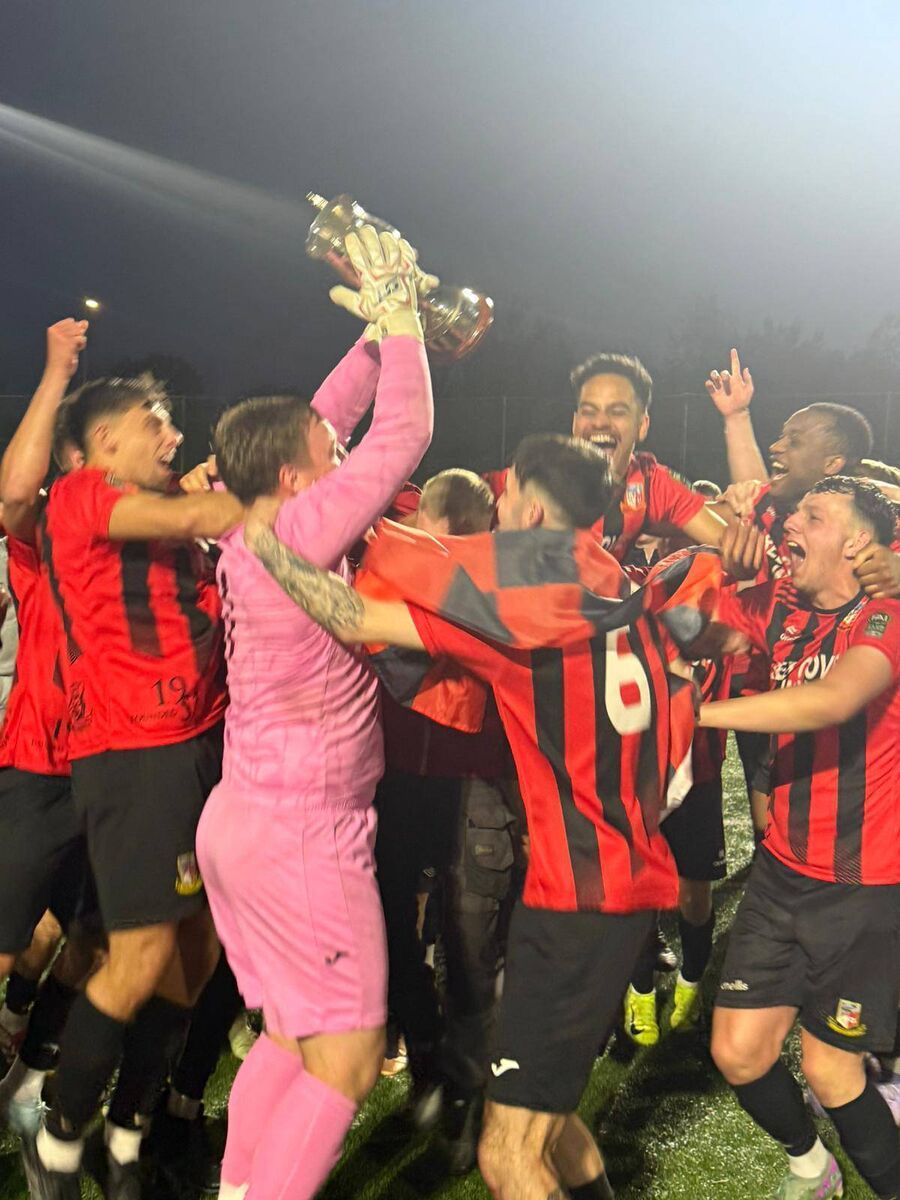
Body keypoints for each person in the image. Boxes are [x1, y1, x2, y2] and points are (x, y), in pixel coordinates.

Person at [245, 432, 691, 1200]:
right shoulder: (615, 579)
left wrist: (264, 542)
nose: (496, 517)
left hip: (581, 902)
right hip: (617, 883)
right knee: (549, 1116)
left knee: (509, 1157)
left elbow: (355, 617)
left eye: (507, 499)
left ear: (533, 503)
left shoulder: (526, 593)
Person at [196, 225, 434, 1200]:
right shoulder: (300, 525)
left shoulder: (249, 510)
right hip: (304, 839)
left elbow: (323, 417)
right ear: (297, 480)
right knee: (348, 1058)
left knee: (294, 1041)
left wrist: (382, 322)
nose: (338, 453)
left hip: (243, 825)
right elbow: (403, 434)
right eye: (323, 456)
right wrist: (411, 323)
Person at [19, 361, 242, 1199]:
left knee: (193, 954)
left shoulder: (157, 521)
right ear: (107, 440)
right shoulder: (81, 491)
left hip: (196, 748)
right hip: (135, 752)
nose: (174, 434)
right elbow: (197, 510)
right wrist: (273, 490)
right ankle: (60, 1135)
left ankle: (126, 1132)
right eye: (158, 422)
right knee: (140, 951)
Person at [700, 478, 900, 1200]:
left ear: (857, 543)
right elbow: (700, 624)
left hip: (862, 890)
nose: (792, 523)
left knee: (831, 1069)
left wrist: (698, 713)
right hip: (782, 873)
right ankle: (813, 1169)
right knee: (739, 1052)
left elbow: (833, 700)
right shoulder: (787, 616)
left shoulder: (886, 613)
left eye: (813, 516)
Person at [487, 351, 728, 562]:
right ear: (575, 423)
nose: (600, 422)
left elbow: (734, 541)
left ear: (642, 426)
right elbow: (455, 506)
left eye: (617, 412)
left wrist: (737, 417)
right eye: (589, 411)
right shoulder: (523, 479)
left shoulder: (649, 483)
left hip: (591, 607)